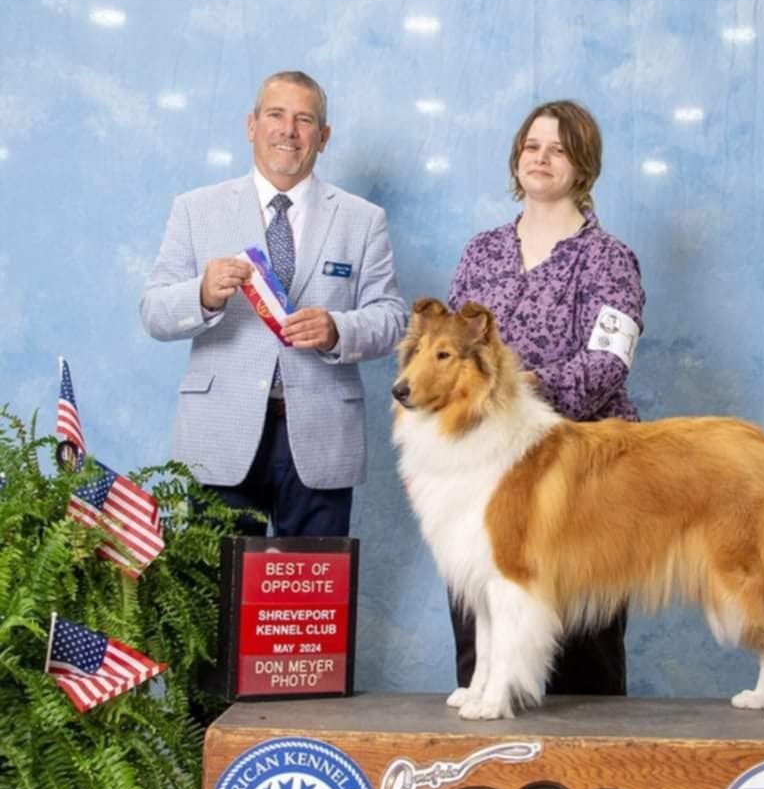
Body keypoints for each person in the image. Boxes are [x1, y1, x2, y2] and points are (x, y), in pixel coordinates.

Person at [141, 71, 405, 537]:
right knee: (214, 594)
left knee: (308, 602)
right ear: (251, 125)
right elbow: (154, 312)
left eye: (304, 120)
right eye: (276, 115)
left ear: (322, 138)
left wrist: (338, 330)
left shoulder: (363, 220)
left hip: (321, 436)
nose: (289, 130)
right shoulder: (195, 209)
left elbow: (392, 319)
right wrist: (201, 294)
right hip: (218, 432)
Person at [447, 100, 645, 696]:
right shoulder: (481, 250)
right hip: (484, 464)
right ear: (516, 157)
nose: (542, 158)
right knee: (483, 606)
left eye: (558, 149)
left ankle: (599, 769)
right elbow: (452, 351)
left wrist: (525, 390)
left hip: (583, 465)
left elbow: (609, 360)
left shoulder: (610, 257)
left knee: (587, 632)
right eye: (532, 146)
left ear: (582, 166)